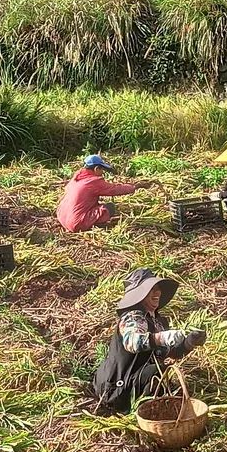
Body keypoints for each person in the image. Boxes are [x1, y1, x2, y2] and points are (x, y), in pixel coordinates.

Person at [92, 269, 206, 414]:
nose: (157, 293)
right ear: (140, 294)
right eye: (151, 289)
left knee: (161, 370)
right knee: (157, 373)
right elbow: (132, 342)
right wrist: (162, 338)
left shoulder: (158, 321)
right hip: (116, 387)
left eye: (157, 289)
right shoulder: (133, 318)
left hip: (134, 380)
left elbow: (167, 353)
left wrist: (188, 343)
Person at [57, 155, 152, 233]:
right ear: (96, 168)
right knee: (109, 208)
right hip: (75, 224)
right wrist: (135, 187)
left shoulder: (76, 178)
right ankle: (95, 225)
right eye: (102, 170)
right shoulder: (92, 181)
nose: (102, 173)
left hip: (62, 217)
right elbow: (114, 189)